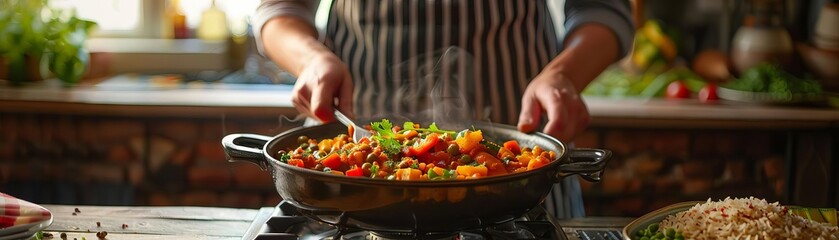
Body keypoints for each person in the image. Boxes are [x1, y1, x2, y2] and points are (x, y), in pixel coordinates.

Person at [254, 0, 633, 218]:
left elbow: (603, 7)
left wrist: (564, 74)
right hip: (344, 181)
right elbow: (278, 9)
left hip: (519, 167)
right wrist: (312, 60)